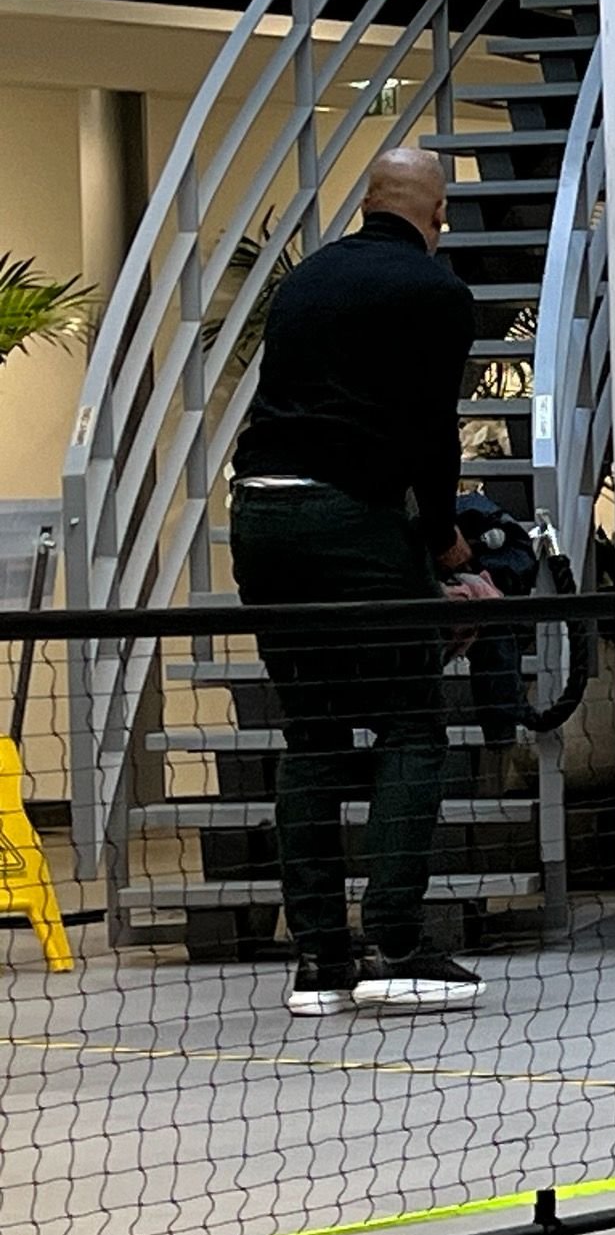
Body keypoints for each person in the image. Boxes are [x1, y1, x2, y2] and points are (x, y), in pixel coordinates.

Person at [228, 144, 499, 1015]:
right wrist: (446, 545)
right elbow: (429, 430)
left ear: (368, 201)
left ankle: (318, 961)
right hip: (351, 520)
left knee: (312, 734)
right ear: (435, 214)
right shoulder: (434, 292)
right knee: (410, 725)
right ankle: (397, 943)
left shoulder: (307, 281)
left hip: (262, 517)